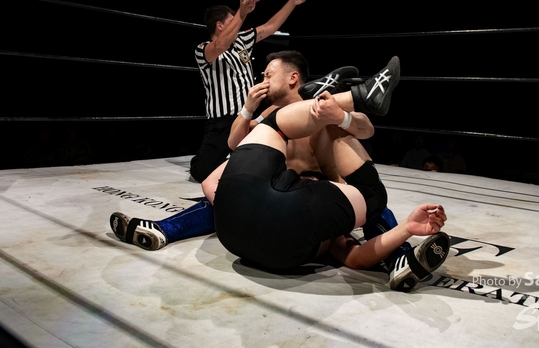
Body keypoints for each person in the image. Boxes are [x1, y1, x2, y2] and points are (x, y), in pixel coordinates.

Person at [110, 56, 450, 292]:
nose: (263, 80)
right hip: (287, 198)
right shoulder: (272, 115)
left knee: (372, 207)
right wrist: (247, 108)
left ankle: (398, 260)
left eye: (267, 74)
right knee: (366, 201)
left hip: (312, 196)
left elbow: (366, 129)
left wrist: (340, 116)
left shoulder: (318, 113)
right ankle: (164, 229)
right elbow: (234, 143)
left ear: (292, 78)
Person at [189, 0, 316, 183]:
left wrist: (293, 1)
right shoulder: (203, 49)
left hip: (250, 114)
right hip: (222, 121)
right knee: (202, 172)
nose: (239, 23)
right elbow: (220, 45)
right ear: (220, 25)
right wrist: (242, 13)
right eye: (232, 20)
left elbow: (270, 26)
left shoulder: (242, 41)